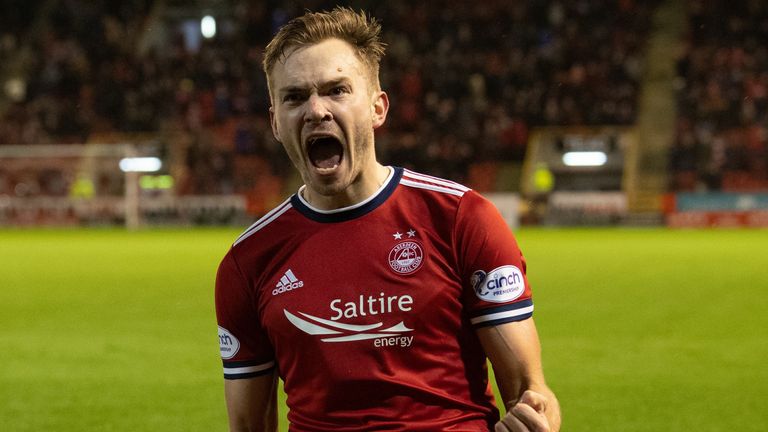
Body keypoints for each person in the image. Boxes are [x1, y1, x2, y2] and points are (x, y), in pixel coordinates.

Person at [215, 7, 561, 431]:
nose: (316, 110)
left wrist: (534, 421)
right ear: (275, 122)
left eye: (337, 90)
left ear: (378, 108)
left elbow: (531, 389)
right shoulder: (247, 262)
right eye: (295, 97)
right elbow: (248, 425)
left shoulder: (461, 219)